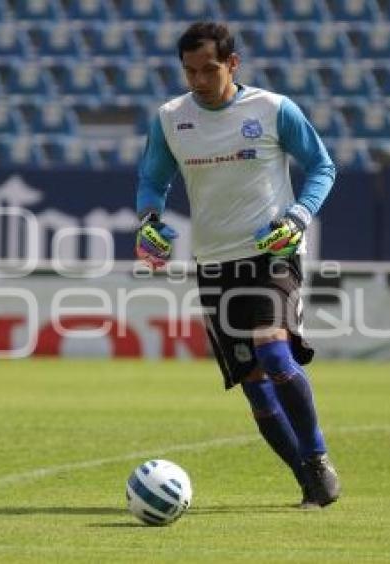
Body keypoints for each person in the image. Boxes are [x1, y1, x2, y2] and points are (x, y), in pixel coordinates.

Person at [134, 22, 340, 508]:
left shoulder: (273, 110)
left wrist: (298, 215)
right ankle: (307, 478)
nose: (198, 81)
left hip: (272, 253)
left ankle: (318, 457)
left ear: (233, 64)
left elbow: (323, 166)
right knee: (253, 385)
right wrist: (149, 221)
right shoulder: (170, 119)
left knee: (272, 351)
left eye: (209, 69)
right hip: (213, 262)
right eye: (189, 71)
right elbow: (153, 180)